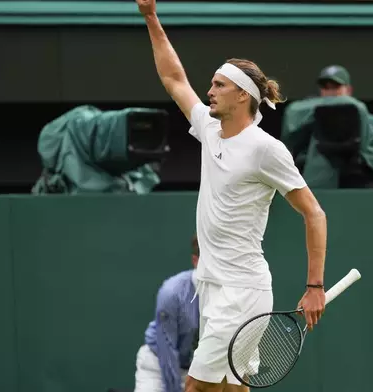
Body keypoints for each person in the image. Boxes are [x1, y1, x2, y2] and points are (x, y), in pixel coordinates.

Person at [136, 1, 328, 391]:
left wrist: (314, 286)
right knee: (230, 389)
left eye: (219, 85)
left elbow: (314, 213)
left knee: (196, 387)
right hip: (211, 285)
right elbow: (174, 79)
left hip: (243, 290)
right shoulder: (209, 127)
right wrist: (151, 18)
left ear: (244, 96)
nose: (209, 92)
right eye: (211, 84)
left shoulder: (266, 149)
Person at [134, 235, 201, 392]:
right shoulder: (172, 292)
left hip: (196, 371)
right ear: (195, 261)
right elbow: (167, 349)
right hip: (157, 365)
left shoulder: (227, 294)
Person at [317, 65, 373, 184]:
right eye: (325, 87)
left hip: (360, 181)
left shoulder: (368, 119)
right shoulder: (309, 118)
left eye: (335, 87)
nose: (330, 92)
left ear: (348, 90)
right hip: (321, 183)